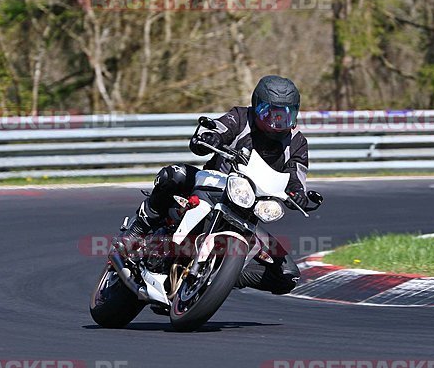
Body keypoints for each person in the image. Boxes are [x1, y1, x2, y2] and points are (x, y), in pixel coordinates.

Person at [118, 75, 309, 294]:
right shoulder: (240, 117)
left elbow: (297, 174)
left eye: (285, 115)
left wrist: (299, 194)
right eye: (270, 113)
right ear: (256, 106)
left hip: (248, 210)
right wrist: (210, 138)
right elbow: (218, 128)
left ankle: (218, 276)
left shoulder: (297, 142)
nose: (277, 122)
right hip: (213, 184)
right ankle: (139, 228)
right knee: (175, 174)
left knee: (288, 276)